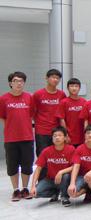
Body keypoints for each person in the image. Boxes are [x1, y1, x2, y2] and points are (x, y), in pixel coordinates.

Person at [0, 71, 35, 201]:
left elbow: (31, 115)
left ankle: (25, 189)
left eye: (21, 81)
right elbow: (3, 117)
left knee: (27, 164)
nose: (18, 83)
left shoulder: (29, 97)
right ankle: (16, 190)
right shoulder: (3, 99)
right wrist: (10, 128)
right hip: (11, 138)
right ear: (10, 83)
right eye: (15, 81)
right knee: (12, 165)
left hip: (27, 137)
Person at [30, 126, 74, 206]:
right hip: (50, 180)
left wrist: (61, 172)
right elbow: (38, 168)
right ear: (52, 138)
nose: (57, 137)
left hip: (64, 179)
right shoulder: (46, 151)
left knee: (66, 176)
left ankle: (64, 196)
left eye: (59, 135)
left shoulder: (71, 149)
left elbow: (75, 166)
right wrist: (33, 186)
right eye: (55, 136)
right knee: (35, 193)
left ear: (65, 137)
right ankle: (55, 192)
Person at [67, 124, 91, 207]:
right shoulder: (79, 148)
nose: (90, 135)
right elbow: (76, 166)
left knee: (90, 179)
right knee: (72, 193)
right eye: (88, 133)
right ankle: (88, 191)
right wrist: (72, 183)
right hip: (82, 176)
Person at [33, 69, 66, 157]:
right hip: (41, 131)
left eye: (58, 78)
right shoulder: (38, 94)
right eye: (53, 77)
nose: (55, 80)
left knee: (56, 156)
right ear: (47, 78)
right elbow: (33, 112)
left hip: (57, 131)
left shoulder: (62, 95)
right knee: (42, 155)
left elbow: (63, 113)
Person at [57, 78, 86, 147]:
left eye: (76, 86)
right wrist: (65, 135)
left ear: (79, 88)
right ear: (67, 88)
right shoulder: (63, 102)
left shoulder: (84, 102)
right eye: (72, 86)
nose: (74, 88)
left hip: (82, 137)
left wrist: (87, 135)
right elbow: (61, 119)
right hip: (69, 137)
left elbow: (86, 120)